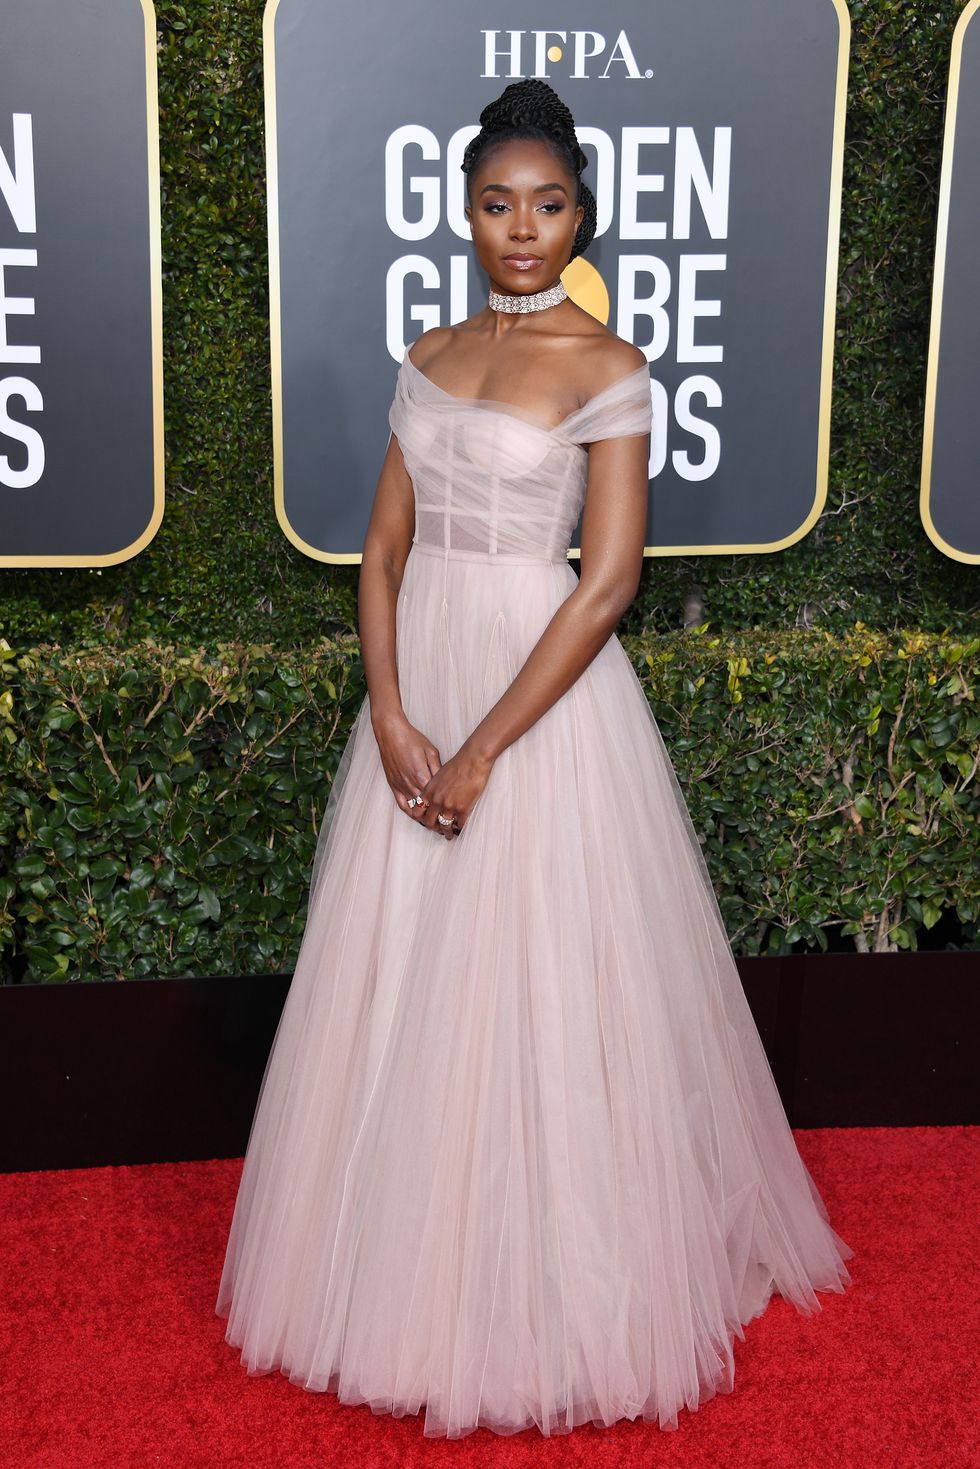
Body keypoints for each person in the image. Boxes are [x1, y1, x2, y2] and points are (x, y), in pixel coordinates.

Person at [215, 78, 854, 1440]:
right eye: (499, 202)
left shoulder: (608, 370)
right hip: (422, 686)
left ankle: (558, 1288)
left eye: (548, 203)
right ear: (464, 211)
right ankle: (388, 1277)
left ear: (584, 214)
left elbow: (609, 580)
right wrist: (392, 711)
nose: (523, 227)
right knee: (399, 990)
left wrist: (484, 747)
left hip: (541, 700)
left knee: (546, 992)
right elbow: (382, 549)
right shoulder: (430, 355)